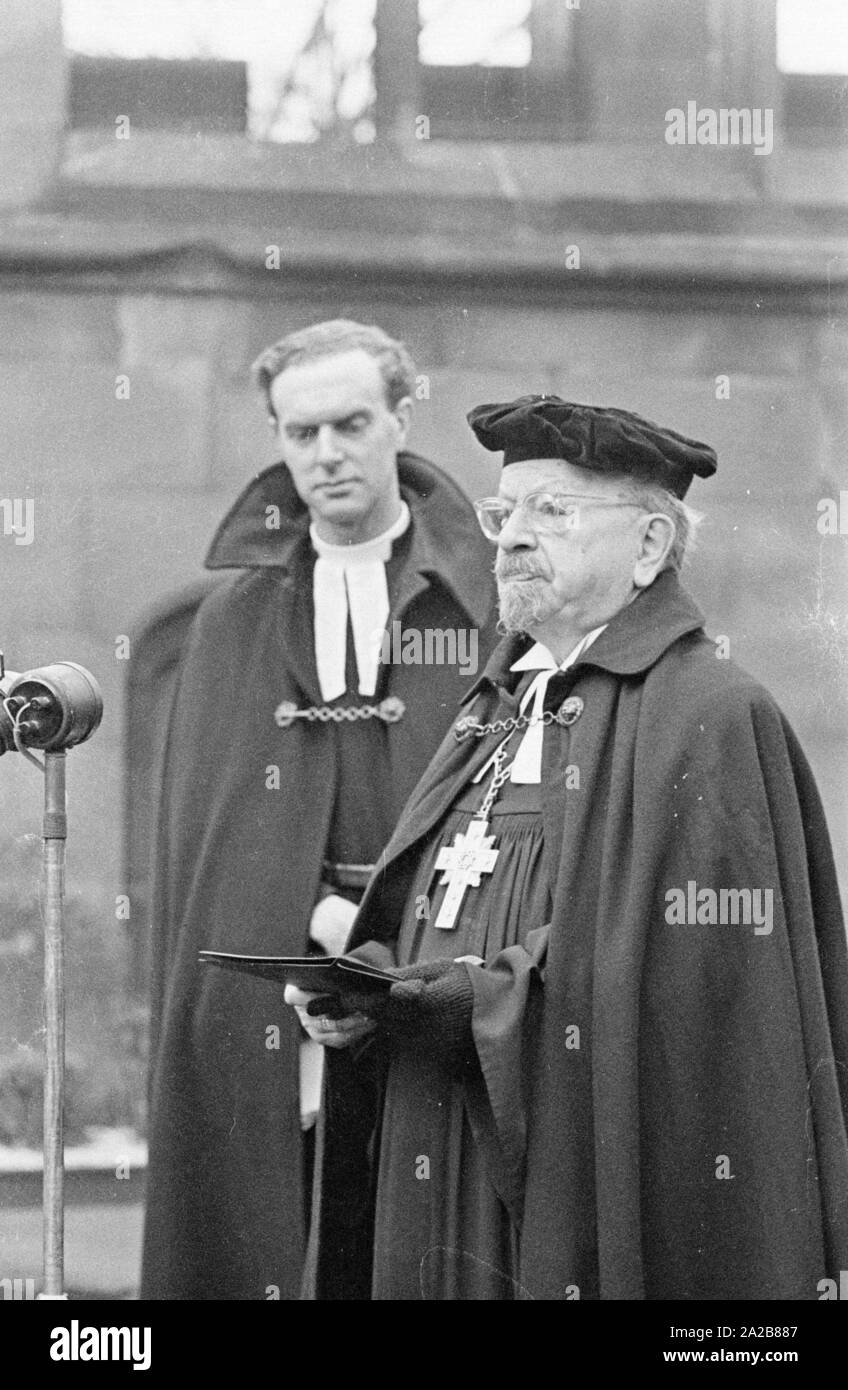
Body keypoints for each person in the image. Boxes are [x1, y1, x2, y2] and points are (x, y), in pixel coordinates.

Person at [288, 394, 848, 1301]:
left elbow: (684, 981)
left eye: (554, 511)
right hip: (434, 1148)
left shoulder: (706, 715)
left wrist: (476, 1000)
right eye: (502, 513)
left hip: (569, 1177)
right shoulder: (493, 707)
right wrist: (371, 985)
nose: (511, 538)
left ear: (651, 547)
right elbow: (451, 901)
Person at [140, 320, 497, 1300]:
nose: (326, 454)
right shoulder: (234, 615)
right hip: (271, 1001)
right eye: (300, 433)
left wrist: (384, 956)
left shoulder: (483, 606)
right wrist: (300, 942)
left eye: (349, 423)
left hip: (432, 974)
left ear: (398, 419)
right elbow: (214, 837)